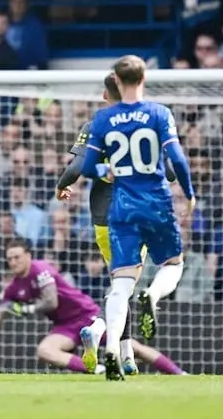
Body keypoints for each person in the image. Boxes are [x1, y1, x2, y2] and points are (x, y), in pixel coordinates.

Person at [55, 72, 178, 375]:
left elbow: (76, 168)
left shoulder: (94, 125)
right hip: (142, 213)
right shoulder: (149, 121)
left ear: (105, 95)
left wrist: (62, 185)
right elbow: (172, 172)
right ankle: (101, 333)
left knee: (121, 284)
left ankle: (124, 354)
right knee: (126, 285)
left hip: (104, 220)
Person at [80, 55, 195, 380]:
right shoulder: (159, 113)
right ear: (144, 79)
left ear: (115, 80)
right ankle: (153, 296)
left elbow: (87, 168)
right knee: (173, 264)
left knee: (120, 283)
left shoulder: (102, 119)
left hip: (122, 208)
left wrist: (108, 170)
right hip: (156, 202)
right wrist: (188, 193)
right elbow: (178, 160)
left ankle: (113, 348)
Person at [0, 239, 185, 376]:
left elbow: (51, 301)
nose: (13, 262)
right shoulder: (14, 287)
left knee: (135, 348)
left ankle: (179, 374)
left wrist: (28, 310)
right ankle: (99, 370)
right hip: (65, 326)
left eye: (17, 257)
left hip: (88, 316)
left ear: (28, 256)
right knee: (45, 351)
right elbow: (0, 312)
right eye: (10, 259)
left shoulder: (40, 268)